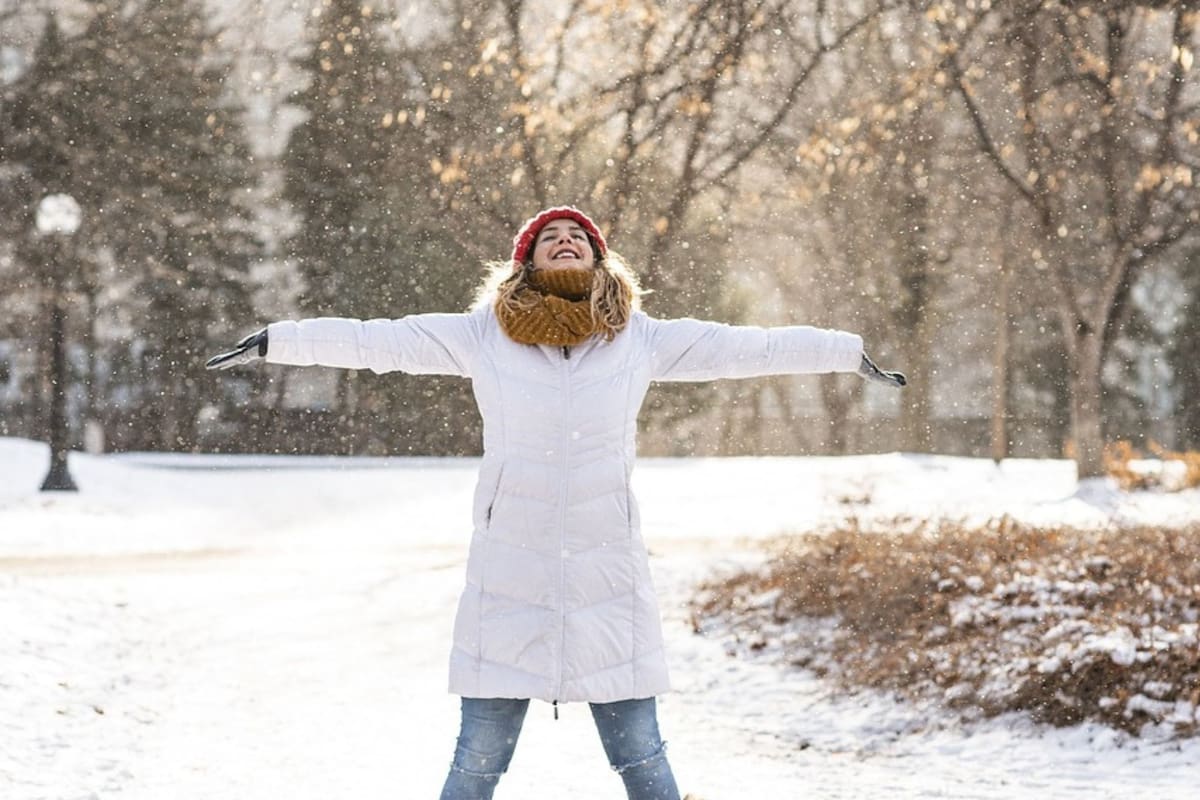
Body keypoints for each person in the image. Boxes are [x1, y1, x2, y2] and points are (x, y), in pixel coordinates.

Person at [206, 206, 906, 800]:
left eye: (579, 237)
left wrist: (847, 353)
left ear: (601, 261)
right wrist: (278, 341)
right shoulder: (482, 335)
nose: (566, 239)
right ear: (527, 264)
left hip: (608, 572)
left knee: (643, 757)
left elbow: (746, 348)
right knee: (476, 762)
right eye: (550, 238)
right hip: (509, 570)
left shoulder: (641, 340)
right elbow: (378, 339)